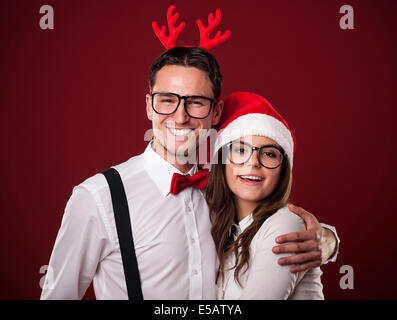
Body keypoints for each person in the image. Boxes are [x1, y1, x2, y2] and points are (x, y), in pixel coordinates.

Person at [40, 47, 338, 300]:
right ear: (149, 106)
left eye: (196, 102)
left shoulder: (228, 188)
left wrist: (326, 240)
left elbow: (266, 229)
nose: (180, 116)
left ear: (216, 112)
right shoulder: (98, 197)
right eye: (168, 100)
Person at [206, 91, 324, 299]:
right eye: (241, 151)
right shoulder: (218, 226)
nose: (253, 162)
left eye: (269, 154)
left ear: (282, 170)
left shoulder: (285, 225)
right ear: (222, 162)